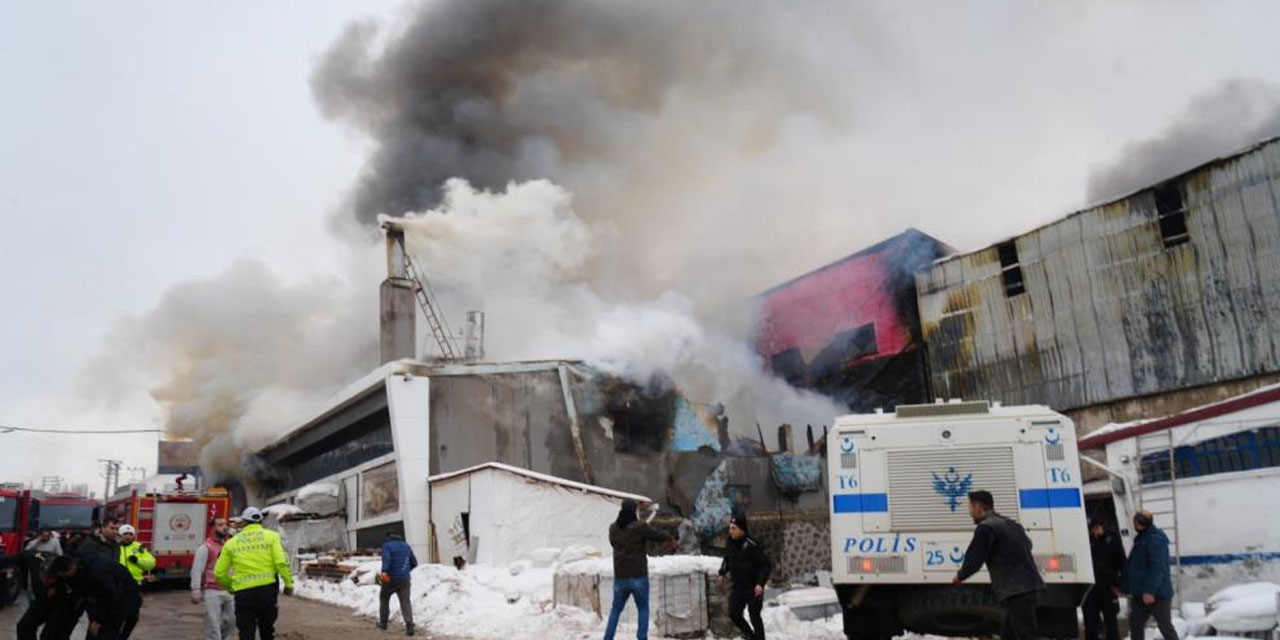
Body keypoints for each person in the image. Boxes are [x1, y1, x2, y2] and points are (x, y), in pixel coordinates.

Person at [952, 490, 1045, 640]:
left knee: (1025, 634)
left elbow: (975, 557)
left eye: (969, 507)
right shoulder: (1011, 524)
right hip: (1029, 586)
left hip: (1017, 589)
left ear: (978, 508)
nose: (969, 511)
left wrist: (960, 575)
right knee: (1010, 635)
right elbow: (1028, 544)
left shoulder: (986, 528)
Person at [214, 507, 294, 640]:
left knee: (246, 634)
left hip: (243, 594)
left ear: (244, 522)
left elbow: (219, 572)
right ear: (260, 522)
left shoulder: (231, 543)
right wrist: (288, 584)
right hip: (267, 592)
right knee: (267, 631)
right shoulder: (272, 537)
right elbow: (280, 562)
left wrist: (230, 587)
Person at [603, 498, 675, 640]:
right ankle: (641, 638)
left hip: (620, 577)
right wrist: (669, 538)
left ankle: (608, 637)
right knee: (642, 608)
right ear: (633, 511)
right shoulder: (639, 527)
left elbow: (613, 543)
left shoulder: (613, 528)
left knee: (616, 609)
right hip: (638, 576)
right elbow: (657, 535)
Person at [1124, 511, 1179, 640]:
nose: (1134, 525)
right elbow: (1134, 567)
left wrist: (1150, 590)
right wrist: (1124, 586)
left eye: (1136, 522)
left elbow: (1158, 566)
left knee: (1165, 626)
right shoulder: (1141, 539)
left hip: (1157, 594)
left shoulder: (1154, 539)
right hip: (1140, 594)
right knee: (1135, 625)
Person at [717, 513, 772, 640]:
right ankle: (749, 636)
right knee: (734, 613)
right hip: (738, 587)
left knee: (754, 616)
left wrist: (760, 583)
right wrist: (722, 573)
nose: (730, 531)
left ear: (742, 529)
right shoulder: (730, 542)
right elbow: (727, 559)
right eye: (730, 528)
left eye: (733, 528)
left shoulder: (752, 544)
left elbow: (765, 565)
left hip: (753, 588)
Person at [191, 516, 236, 640]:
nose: (225, 527)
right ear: (212, 528)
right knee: (213, 625)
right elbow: (197, 570)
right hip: (212, 591)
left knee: (233, 621)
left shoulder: (228, 546)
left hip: (229, 590)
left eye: (225, 524)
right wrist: (196, 589)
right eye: (220, 525)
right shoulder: (205, 548)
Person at [16, 554, 79, 640]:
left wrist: (57, 589)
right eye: (44, 577)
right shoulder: (36, 563)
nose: (46, 580)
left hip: (63, 605)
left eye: (50, 578)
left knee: (50, 635)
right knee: (24, 626)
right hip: (42, 600)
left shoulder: (68, 581)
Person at [1082, 518, 1126, 640]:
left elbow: (1121, 562)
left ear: (1103, 527)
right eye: (1094, 527)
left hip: (1108, 588)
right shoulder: (1086, 541)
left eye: (1099, 526)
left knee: (1111, 623)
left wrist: (1119, 585)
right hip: (1090, 589)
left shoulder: (1112, 540)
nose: (1096, 529)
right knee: (1090, 624)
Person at [114, 525, 154, 640]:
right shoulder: (115, 548)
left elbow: (151, 563)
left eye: (130, 534)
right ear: (120, 535)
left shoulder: (139, 547)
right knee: (118, 616)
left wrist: (138, 560)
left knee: (133, 618)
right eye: (125, 534)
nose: (127, 537)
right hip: (118, 586)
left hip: (135, 586)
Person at [376, 531, 419, 636]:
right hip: (404, 579)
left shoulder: (387, 545)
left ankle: (383, 623)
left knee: (384, 597)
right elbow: (414, 562)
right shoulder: (406, 546)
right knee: (405, 602)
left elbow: (387, 559)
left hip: (391, 578)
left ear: (388, 537)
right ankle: (409, 625)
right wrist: (405, 571)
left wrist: (384, 572)